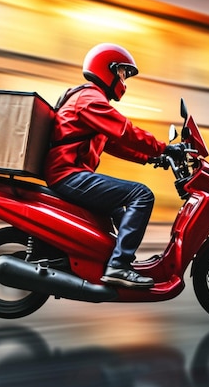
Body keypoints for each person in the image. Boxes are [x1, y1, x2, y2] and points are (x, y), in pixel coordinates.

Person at [44, 43, 168, 288]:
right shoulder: (90, 99)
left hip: (71, 173)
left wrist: (152, 158)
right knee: (141, 195)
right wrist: (164, 147)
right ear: (108, 70)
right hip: (68, 174)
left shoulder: (89, 98)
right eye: (122, 73)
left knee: (121, 213)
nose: (123, 80)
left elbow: (114, 144)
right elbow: (125, 131)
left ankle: (113, 261)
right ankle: (118, 267)